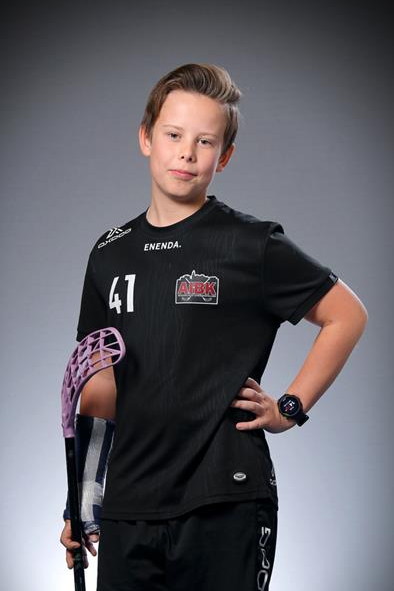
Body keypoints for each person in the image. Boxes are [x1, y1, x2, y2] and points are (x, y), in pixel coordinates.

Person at [60, 63, 368, 590]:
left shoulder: (251, 244)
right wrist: (81, 500)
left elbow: (347, 315)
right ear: (145, 137)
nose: (186, 153)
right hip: (129, 505)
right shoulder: (108, 254)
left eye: (205, 141)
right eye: (173, 135)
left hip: (226, 497)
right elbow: (99, 389)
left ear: (223, 156)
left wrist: (289, 408)